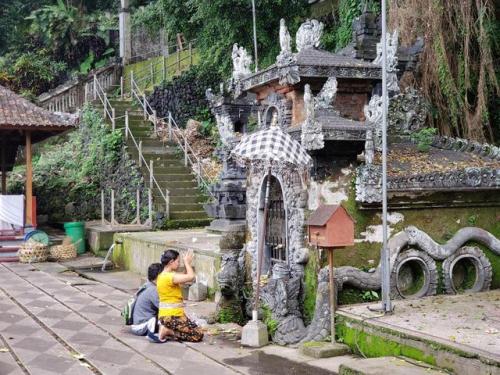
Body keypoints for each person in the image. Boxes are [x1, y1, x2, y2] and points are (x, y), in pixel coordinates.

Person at [157, 249, 204, 342]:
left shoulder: (165, 275)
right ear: (171, 262)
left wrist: (187, 264)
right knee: (197, 335)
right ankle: (168, 331)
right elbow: (191, 277)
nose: (179, 264)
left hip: (173, 314)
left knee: (196, 329)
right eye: (178, 261)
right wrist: (187, 263)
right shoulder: (169, 277)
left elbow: (184, 278)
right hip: (171, 316)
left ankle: (167, 329)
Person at [130, 263, 162, 336]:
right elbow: (164, 308)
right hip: (142, 326)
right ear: (158, 276)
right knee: (169, 320)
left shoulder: (146, 285)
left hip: (138, 323)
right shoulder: (153, 290)